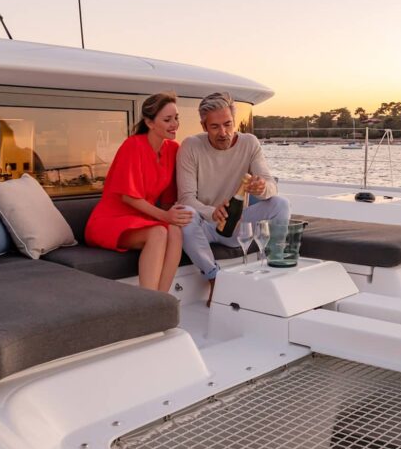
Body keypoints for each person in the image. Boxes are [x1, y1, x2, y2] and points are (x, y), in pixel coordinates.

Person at [177, 92, 290, 301]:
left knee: (280, 204)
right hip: (206, 224)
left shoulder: (250, 143)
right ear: (203, 126)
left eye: (228, 124)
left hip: (239, 223)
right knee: (185, 213)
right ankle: (214, 278)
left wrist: (262, 187)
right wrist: (212, 212)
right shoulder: (191, 146)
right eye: (215, 127)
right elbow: (186, 198)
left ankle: (276, 266)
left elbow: (271, 185)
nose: (223, 132)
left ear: (234, 121)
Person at [85, 92, 192, 292]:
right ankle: (148, 301)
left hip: (143, 218)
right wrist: (165, 216)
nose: (174, 124)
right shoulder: (132, 145)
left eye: (176, 118)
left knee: (175, 231)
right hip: (110, 220)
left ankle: (162, 300)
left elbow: (169, 199)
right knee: (159, 232)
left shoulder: (172, 149)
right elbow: (129, 197)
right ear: (150, 123)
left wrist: (174, 216)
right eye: (167, 120)